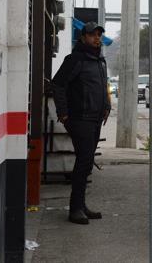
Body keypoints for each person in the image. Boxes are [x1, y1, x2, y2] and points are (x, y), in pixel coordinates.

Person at [52, 22, 111, 225]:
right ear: (83, 37)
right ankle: (75, 209)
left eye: (99, 35)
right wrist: (63, 113)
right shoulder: (75, 59)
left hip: (94, 119)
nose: (97, 38)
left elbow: (102, 87)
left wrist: (106, 107)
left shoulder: (99, 61)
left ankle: (81, 205)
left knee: (86, 164)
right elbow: (57, 84)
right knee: (84, 161)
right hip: (79, 119)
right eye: (92, 35)